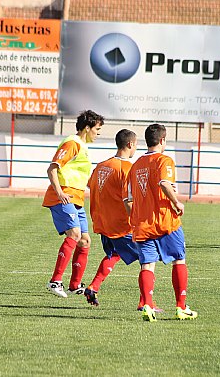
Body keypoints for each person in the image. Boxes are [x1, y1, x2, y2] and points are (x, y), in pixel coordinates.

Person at [127, 123, 197, 321]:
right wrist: (177, 202)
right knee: (179, 259)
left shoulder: (136, 164)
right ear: (162, 140)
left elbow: (129, 198)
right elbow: (164, 183)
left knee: (147, 265)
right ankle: (181, 307)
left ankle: (148, 305)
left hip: (142, 223)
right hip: (165, 221)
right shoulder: (164, 160)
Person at [43, 110, 104, 297]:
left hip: (76, 199)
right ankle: (55, 282)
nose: (98, 133)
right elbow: (52, 168)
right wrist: (60, 192)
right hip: (64, 196)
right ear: (87, 128)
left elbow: (80, 176)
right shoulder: (72, 143)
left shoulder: (82, 146)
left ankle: (75, 284)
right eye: (97, 129)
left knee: (85, 241)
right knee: (75, 234)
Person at [84, 129, 141, 307]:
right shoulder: (127, 168)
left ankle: (93, 287)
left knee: (114, 254)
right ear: (130, 144)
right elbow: (129, 199)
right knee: (148, 257)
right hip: (120, 224)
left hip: (102, 222)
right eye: (136, 144)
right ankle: (146, 302)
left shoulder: (102, 165)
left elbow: (90, 185)